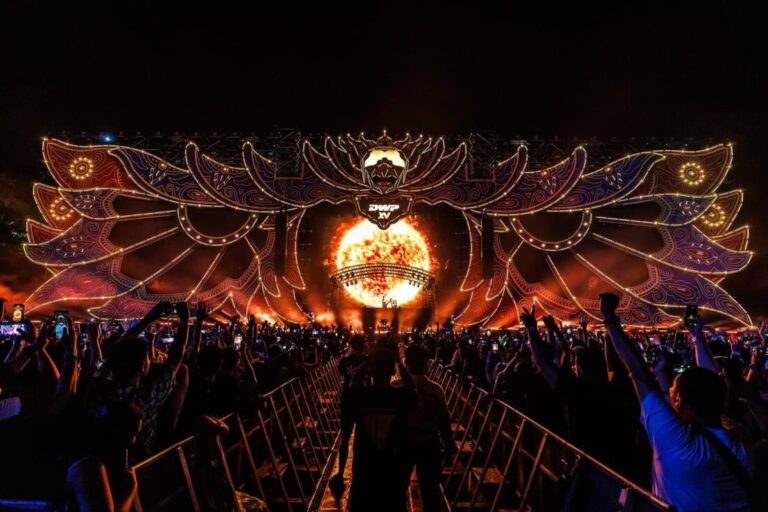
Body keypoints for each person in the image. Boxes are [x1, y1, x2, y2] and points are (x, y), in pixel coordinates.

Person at [599, 292, 756, 512]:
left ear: (680, 400)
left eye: (672, 390)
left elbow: (638, 373)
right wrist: (696, 338)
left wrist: (609, 317)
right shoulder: (741, 440)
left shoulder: (675, 442)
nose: (669, 394)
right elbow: (709, 384)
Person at [346, 347, 417, 512]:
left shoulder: (364, 396)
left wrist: (367, 361)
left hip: (365, 466)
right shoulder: (398, 397)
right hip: (392, 465)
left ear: (371, 370)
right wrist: (398, 362)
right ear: (392, 370)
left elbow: (353, 385)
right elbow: (411, 389)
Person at [401, 344, 453, 512]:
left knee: (399, 487)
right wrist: (449, 446)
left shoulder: (398, 387)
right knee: (430, 491)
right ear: (425, 365)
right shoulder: (435, 390)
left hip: (403, 442)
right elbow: (444, 421)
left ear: (407, 364)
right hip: (429, 443)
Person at [329, 333, 367, 497]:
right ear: (364, 345)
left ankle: (341, 471)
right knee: (362, 438)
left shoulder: (344, 361)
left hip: (347, 400)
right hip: (363, 402)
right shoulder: (368, 361)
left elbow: (342, 374)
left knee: (345, 438)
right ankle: (360, 471)